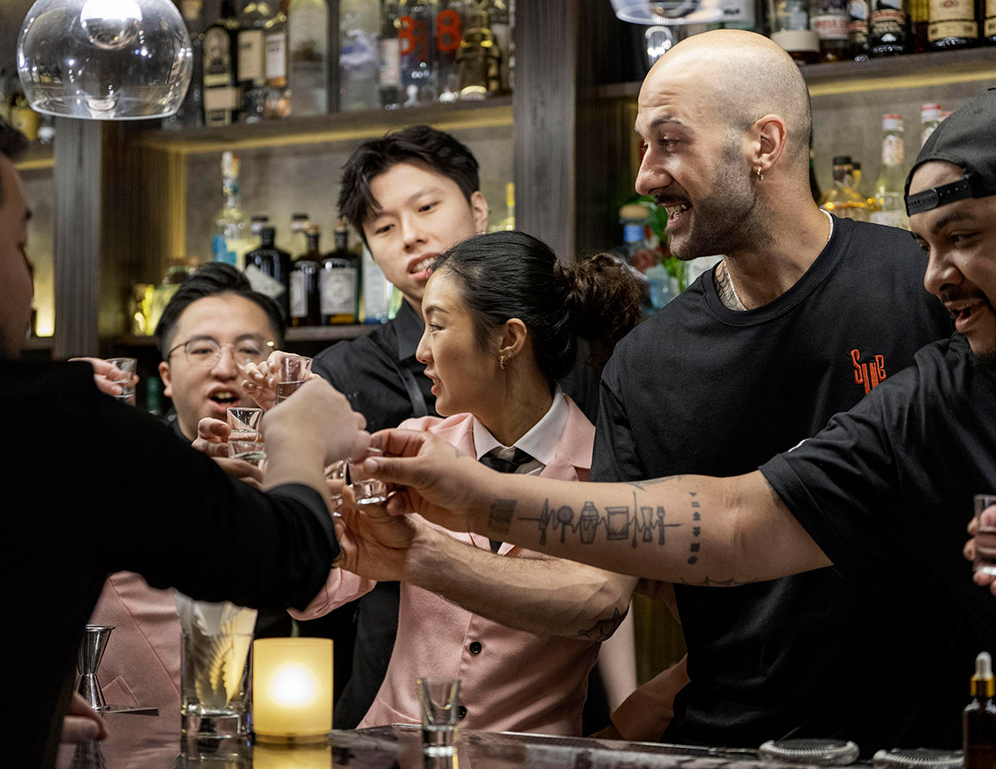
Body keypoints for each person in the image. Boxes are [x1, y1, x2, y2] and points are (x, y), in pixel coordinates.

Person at [359, 86, 996, 748]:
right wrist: (467, 504)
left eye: (962, 237)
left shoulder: (927, 322)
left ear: (765, 143)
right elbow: (730, 523)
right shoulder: (922, 390)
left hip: (930, 739)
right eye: (929, 246)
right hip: (730, 743)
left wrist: (469, 508)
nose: (936, 276)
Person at [589, 29, 963, 751]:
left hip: (920, 748)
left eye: (669, 142)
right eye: (643, 147)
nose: (645, 176)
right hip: (726, 747)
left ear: (764, 143)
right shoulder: (643, 364)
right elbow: (623, 582)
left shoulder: (926, 289)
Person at [0, 99, 369, 768]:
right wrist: (300, 432)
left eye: (248, 348)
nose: (31, 274)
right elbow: (286, 558)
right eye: (18, 244)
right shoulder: (62, 426)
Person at [236, 125, 609, 728]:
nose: (409, 235)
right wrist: (276, 475)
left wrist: (628, 716)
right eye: (383, 227)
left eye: (427, 206)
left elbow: (605, 604)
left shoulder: (602, 451)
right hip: (389, 729)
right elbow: (313, 585)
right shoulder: (404, 434)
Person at [289, 231, 640, 733]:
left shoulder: (606, 474)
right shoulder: (414, 446)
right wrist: (285, 485)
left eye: (436, 326)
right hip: (395, 749)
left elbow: (601, 606)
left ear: (509, 339)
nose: (420, 351)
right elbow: (315, 594)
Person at [87, 264, 292, 717]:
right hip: (137, 720)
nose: (226, 368)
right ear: (166, 375)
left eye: (249, 349)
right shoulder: (120, 469)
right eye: (202, 349)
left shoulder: (308, 476)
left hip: (281, 715)